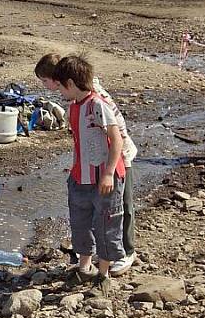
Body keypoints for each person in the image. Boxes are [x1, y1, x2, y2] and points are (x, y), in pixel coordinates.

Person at [35, 53, 137, 276]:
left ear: (66, 82)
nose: (53, 89)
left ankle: (119, 257)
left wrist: (110, 171)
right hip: (88, 167)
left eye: (48, 82)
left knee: (115, 211)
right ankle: (88, 261)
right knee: (86, 215)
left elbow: (116, 135)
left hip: (114, 160)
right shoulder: (76, 102)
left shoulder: (95, 101)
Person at [51, 55, 126, 297]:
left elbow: (117, 141)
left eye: (60, 86)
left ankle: (103, 275)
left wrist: (107, 174)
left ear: (70, 84)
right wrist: (74, 169)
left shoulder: (98, 105)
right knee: (80, 222)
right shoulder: (74, 107)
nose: (59, 91)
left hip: (104, 178)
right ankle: (85, 267)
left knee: (105, 223)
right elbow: (80, 142)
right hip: (80, 176)